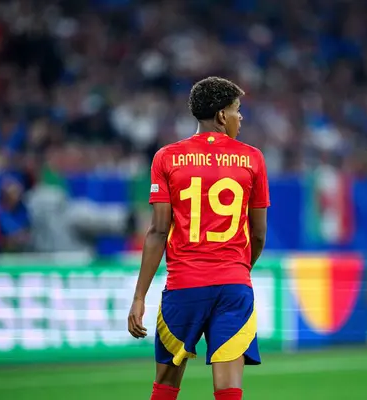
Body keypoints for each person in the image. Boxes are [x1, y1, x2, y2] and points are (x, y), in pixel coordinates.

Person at [127, 76, 270, 400]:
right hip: (233, 288)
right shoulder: (252, 158)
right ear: (221, 116)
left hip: (183, 287)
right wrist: (238, 268)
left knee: (165, 388)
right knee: (229, 391)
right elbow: (258, 233)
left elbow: (158, 232)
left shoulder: (166, 157)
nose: (240, 118)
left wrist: (139, 297)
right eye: (237, 110)